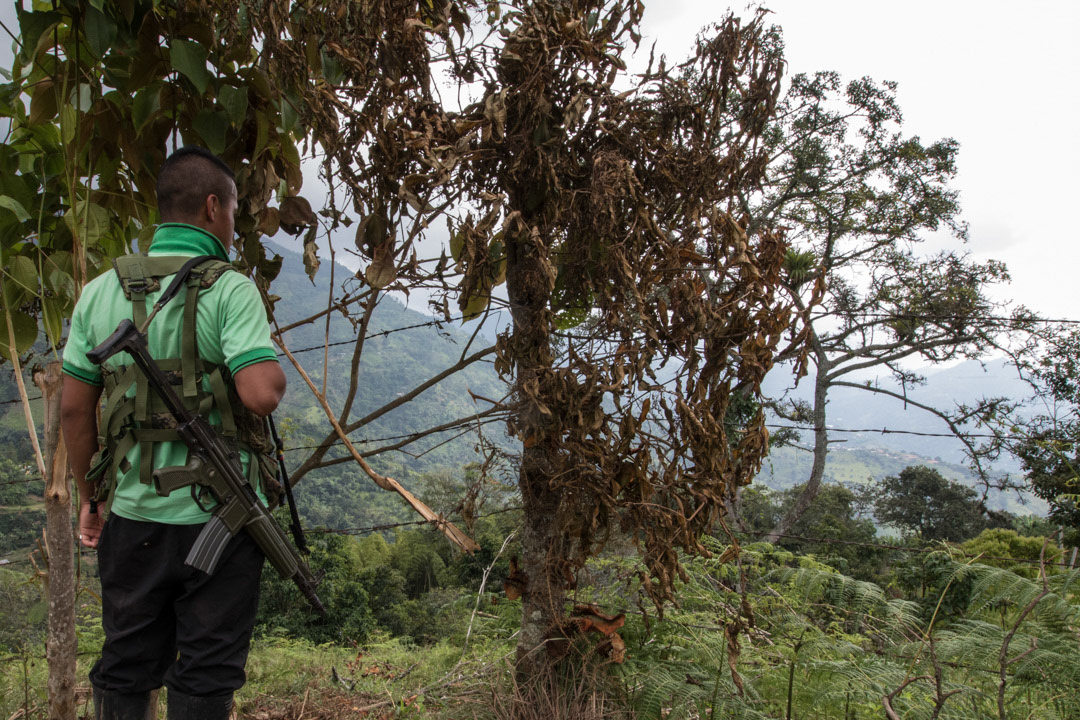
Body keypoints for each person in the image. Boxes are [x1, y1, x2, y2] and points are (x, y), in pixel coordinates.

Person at [60, 146, 287, 720]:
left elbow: (73, 411)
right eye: (234, 211)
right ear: (214, 207)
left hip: (133, 516)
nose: (233, 226)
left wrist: (92, 497)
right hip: (222, 519)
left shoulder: (100, 292)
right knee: (206, 675)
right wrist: (271, 366)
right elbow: (260, 395)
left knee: (126, 663)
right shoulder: (230, 288)